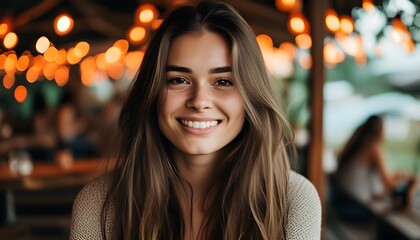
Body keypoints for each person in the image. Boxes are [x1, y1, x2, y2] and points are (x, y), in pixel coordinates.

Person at [70, 1, 321, 239]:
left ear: (251, 96)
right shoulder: (99, 204)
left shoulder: (292, 200)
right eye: (179, 80)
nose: (199, 101)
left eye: (223, 82)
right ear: (153, 92)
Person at [332, 115, 416, 211]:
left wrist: (397, 176)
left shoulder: (356, 145)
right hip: (354, 208)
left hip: (339, 201)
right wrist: (410, 181)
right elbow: (390, 185)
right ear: (381, 131)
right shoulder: (373, 147)